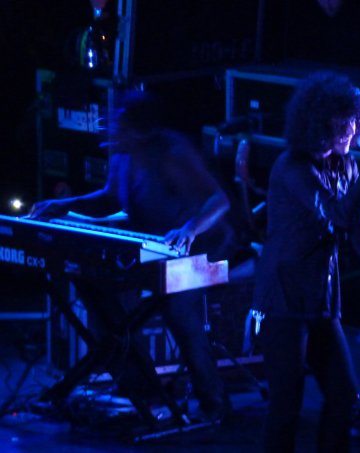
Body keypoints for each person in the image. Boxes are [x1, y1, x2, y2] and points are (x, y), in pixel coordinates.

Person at [29, 90, 237, 421]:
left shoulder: (172, 153)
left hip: (204, 247)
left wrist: (189, 229)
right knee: (102, 303)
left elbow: (219, 200)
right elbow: (109, 199)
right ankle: (145, 391)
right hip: (156, 246)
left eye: (120, 125)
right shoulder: (123, 155)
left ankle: (213, 402)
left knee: (178, 308)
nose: (112, 130)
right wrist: (62, 206)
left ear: (140, 131)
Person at [252, 71, 360, 452]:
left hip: (320, 300)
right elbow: (336, 214)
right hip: (283, 300)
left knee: (343, 393)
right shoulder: (293, 168)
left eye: (353, 122)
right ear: (318, 125)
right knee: (286, 404)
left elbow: (357, 221)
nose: (351, 132)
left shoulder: (343, 164)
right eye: (342, 124)